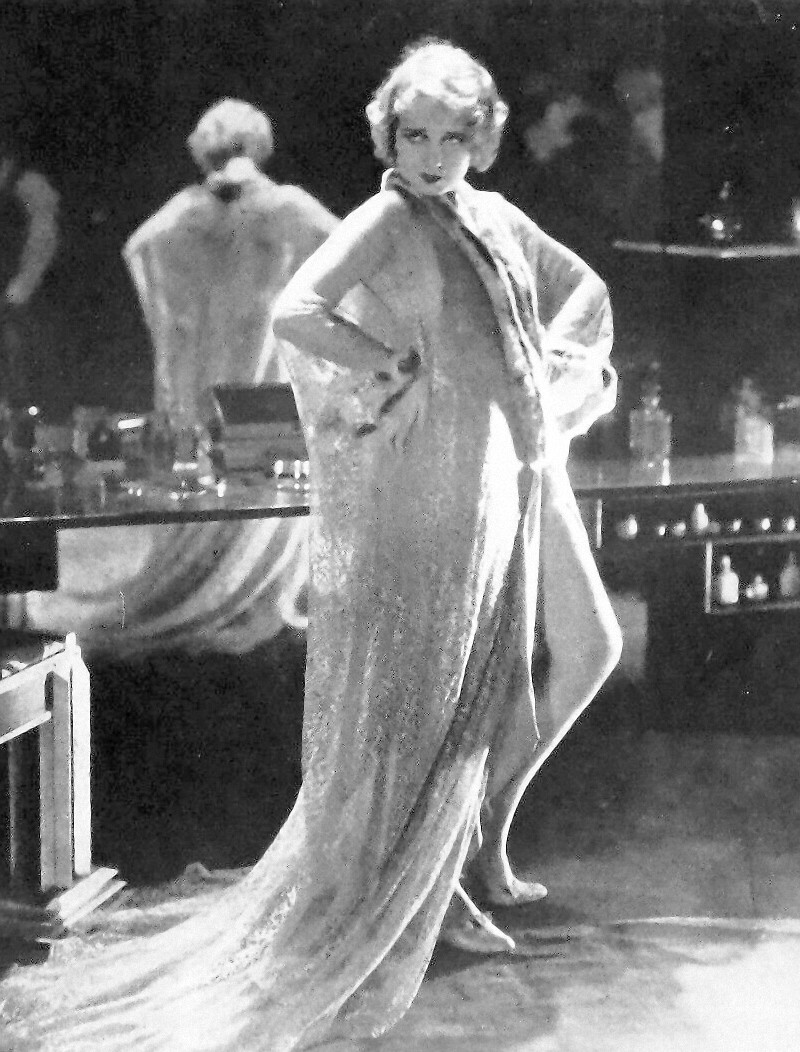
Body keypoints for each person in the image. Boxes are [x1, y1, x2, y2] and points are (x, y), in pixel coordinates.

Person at [1, 41, 620, 1051]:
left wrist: (557, 376)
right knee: (424, 697)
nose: (430, 154)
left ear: (479, 139)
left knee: (489, 688)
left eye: (450, 136)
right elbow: (298, 311)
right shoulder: (385, 219)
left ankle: (457, 867)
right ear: (389, 137)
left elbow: (579, 291)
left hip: (500, 476)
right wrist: (389, 367)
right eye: (412, 135)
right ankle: (421, 890)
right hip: (427, 487)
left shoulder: (495, 216)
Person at [25, 99, 338, 658]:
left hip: (209, 391)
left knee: (220, 482)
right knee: (265, 489)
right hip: (264, 393)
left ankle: (237, 588)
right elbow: (344, 257)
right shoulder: (289, 208)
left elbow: (142, 250)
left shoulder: (184, 214)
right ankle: (258, 592)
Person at [0, 131, 60, 409]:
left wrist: (23, 285)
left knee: (24, 356)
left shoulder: (28, 186)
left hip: (25, 295)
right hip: (13, 293)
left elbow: (43, 237)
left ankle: (27, 418)